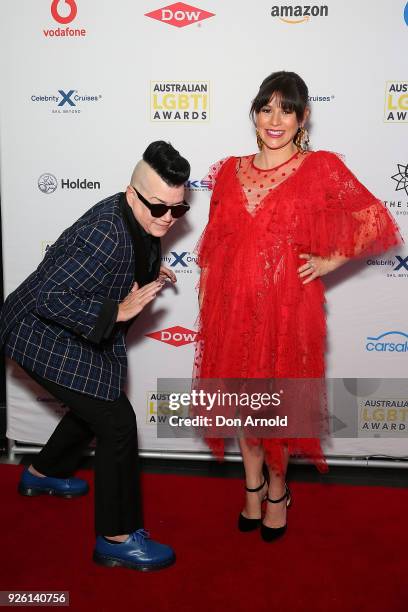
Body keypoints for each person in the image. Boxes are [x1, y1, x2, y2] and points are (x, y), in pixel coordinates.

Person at [194, 71, 402, 542]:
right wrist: (208, 303)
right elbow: (213, 246)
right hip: (232, 309)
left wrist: (332, 259)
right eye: (266, 108)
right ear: (254, 113)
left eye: (286, 109)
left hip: (289, 313)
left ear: (302, 117)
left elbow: (375, 220)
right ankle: (251, 489)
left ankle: (276, 491)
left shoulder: (321, 168)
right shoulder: (228, 170)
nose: (275, 119)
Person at [0, 141, 191, 570]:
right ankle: (116, 536)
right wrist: (118, 310)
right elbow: (50, 295)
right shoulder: (106, 232)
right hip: (37, 331)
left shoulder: (136, 217)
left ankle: (41, 475)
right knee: (117, 421)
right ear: (130, 193)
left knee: (96, 402)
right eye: (158, 208)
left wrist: (146, 270)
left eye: (178, 211)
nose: (167, 219)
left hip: (66, 330)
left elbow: (121, 254)